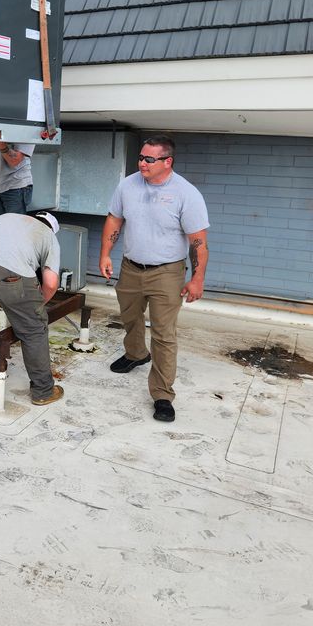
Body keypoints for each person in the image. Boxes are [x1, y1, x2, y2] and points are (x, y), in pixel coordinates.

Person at [98, 136, 209, 423]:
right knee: (130, 317)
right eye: (141, 157)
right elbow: (114, 219)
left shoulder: (187, 193)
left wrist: (197, 279)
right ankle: (136, 353)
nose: (142, 163)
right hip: (131, 268)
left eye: (149, 159)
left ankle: (162, 394)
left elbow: (198, 242)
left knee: (163, 333)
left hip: (167, 273)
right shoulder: (128, 185)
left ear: (167, 162)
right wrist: (105, 254)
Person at [0, 211, 63, 405]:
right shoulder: (48, 235)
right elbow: (50, 283)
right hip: (10, 272)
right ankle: (43, 391)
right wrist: (37, 305)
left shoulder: (7, 217)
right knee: (33, 329)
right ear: (52, 228)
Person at [0, 130, 35, 216]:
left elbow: (14, 160)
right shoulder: (3, 122)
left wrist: (2, 146)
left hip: (16, 187)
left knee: (15, 226)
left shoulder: (27, 128)